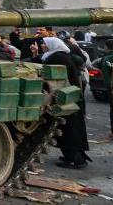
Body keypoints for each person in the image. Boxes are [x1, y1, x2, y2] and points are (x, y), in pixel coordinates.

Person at [30, 37, 90, 168]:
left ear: (52, 45)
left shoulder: (57, 57)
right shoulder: (58, 55)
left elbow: (40, 64)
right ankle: (71, 157)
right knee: (68, 128)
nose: (43, 46)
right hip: (67, 98)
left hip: (67, 99)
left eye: (45, 44)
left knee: (70, 130)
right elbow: (39, 60)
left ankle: (76, 160)